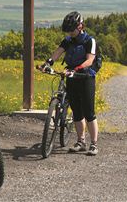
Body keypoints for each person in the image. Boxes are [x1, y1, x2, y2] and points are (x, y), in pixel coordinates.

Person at [39, 11, 99, 156]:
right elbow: (56, 54)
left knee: (89, 112)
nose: (70, 33)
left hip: (85, 77)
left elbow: (90, 60)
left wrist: (76, 69)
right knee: (77, 111)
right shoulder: (67, 40)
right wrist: (47, 64)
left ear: (80, 26)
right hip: (71, 76)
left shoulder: (89, 41)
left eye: (72, 30)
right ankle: (81, 141)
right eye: (68, 31)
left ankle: (94, 144)